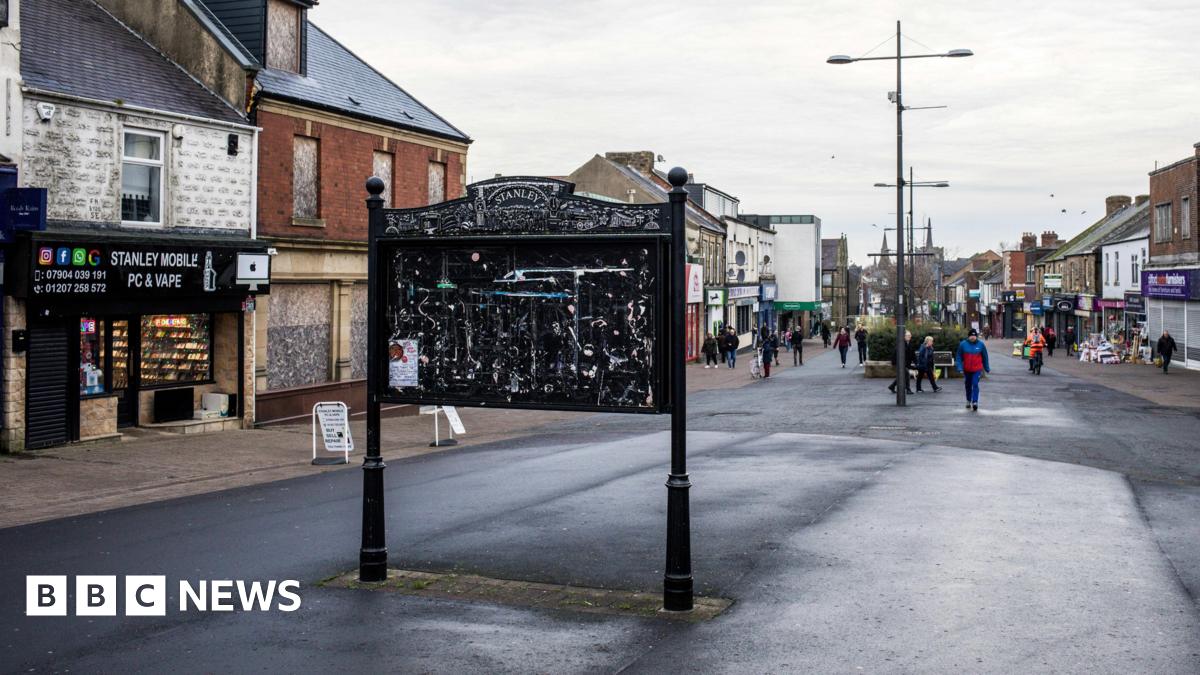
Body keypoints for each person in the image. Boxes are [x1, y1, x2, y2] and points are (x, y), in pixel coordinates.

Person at [955, 328, 991, 411]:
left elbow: (985, 357)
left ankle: (975, 402)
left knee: (975, 384)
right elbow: (959, 357)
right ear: (968, 336)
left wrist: (987, 368)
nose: (972, 337)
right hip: (967, 369)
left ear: (976, 336)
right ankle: (968, 400)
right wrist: (960, 367)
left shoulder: (981, 345)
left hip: (977, 369)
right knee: (968, 385)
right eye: (971, 336)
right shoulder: (963, 344)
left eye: (974, 336)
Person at [888, 330, 916, 395]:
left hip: (906, 363)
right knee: (906, 374)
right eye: (908, 335)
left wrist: (915, 362)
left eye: (910, 335)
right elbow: (895, 354)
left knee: (902, 376)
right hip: (900, 363)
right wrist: (894, 362)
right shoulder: (901, 343)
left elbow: (913, 354)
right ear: (904, 336)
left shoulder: (910, 344)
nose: (909, 336)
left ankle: (892, 386)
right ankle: (908, 389)